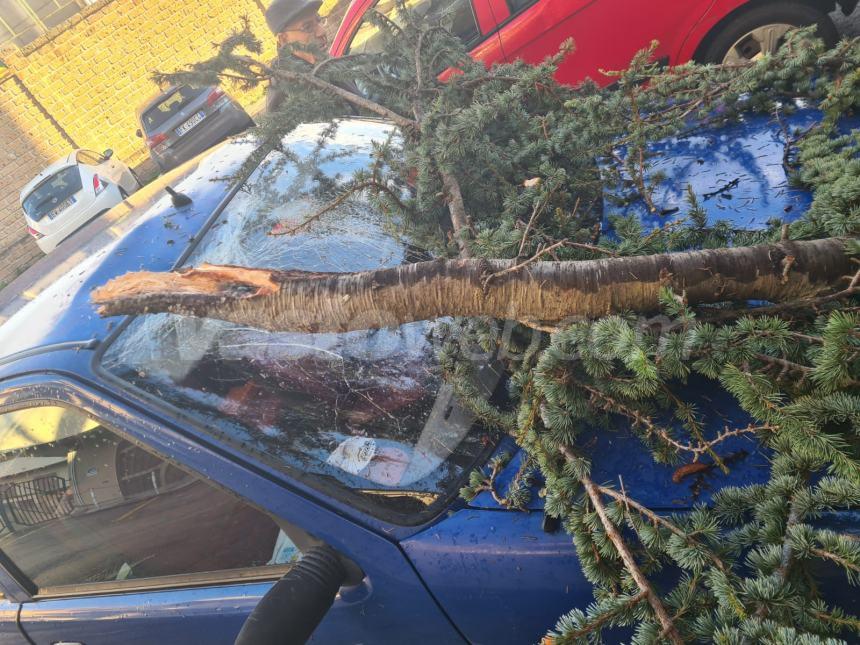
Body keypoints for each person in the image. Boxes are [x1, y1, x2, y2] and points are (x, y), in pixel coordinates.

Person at [264, 0, 328, 112]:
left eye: (319, 20)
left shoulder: (324, 62)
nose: (322, 31)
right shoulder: (286, 93)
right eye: (307, 27)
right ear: (284, 40)